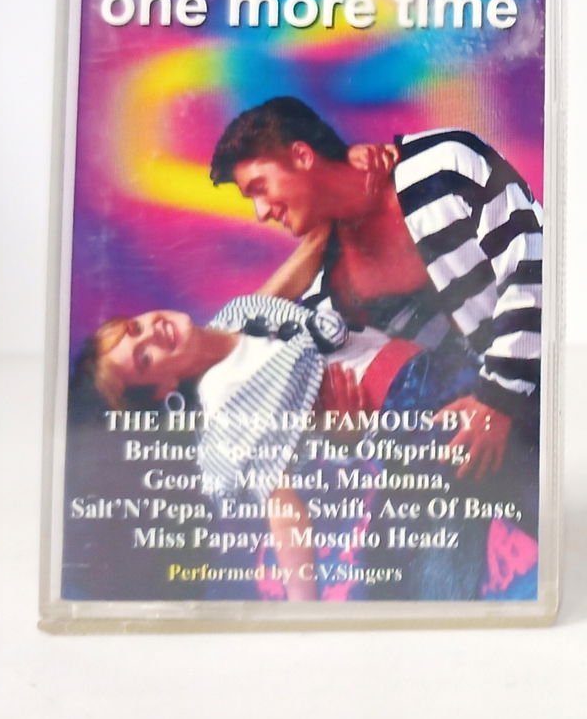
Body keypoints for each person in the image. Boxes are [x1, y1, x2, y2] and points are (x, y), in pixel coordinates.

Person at [208, 97, 543, 488]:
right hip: (475, 457)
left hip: (552, 395)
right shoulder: (328, 297)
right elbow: (225, 345)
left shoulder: (442, 166)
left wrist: (498, 400)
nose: (260, 212)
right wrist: (350, 437)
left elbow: (534, 264)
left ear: (301, 155)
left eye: (259, 188)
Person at [78, 294, 476, 600]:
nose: (151, 334)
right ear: (163, 390)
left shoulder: (240, 315)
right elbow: (279, 503)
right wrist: (304, 603)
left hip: (431, 363)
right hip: (412, 413)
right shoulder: (225, 403)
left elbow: (302, 270)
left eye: (134, 327)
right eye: (145, 358)